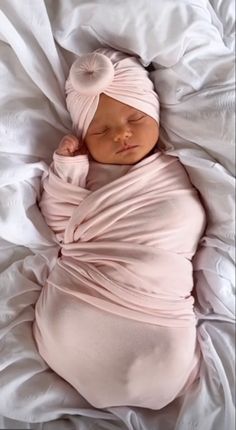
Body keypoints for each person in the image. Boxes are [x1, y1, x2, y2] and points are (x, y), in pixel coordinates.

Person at [33, 48, 206, 410]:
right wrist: (68, 168)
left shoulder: (172, 168)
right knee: (75, 328)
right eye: (102, 129)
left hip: (156, 302)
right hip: (85, 293)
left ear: (154, 113)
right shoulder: (88, 172)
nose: (122, 134)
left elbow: (185, 221)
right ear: (84, 134)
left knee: (168, 357)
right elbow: (61, 222)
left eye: (134, 118)